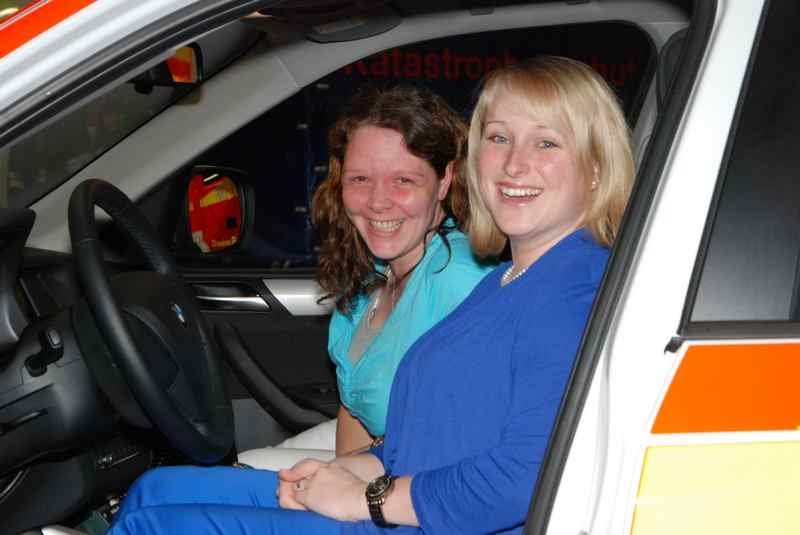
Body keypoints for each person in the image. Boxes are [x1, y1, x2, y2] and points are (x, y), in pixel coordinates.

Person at [107, 55, 634, 535]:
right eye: (498, 138)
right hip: (411, 499)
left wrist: (367, 498)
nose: (514, 164)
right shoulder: (509, 280)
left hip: (434, 521)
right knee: (157, 490)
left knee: (154, 526)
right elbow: (429, 438)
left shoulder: (575, 289)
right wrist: (346, 473)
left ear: (595, 168)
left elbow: (526, 479)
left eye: (546, 143)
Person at [237, 85, 494, 469]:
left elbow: (467, 447)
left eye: (403, 180)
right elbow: (354, 410)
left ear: (444, 181)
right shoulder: (373, 271)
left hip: (422, 475)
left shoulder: (462, 282)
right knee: (238, 469)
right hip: (381, 452)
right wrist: (341, 475)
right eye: (360, 179)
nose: (377, 202)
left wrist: (345, 490)